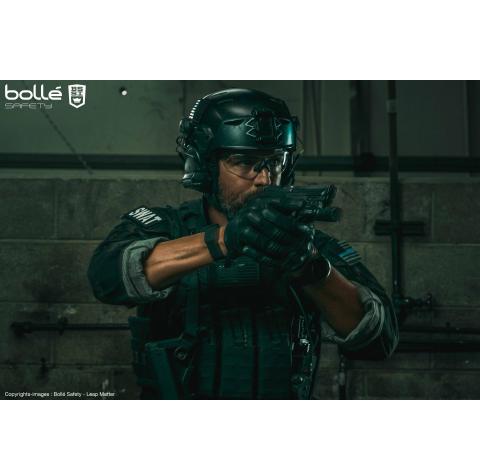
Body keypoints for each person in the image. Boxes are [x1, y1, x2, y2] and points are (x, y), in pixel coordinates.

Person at [87, 88, 399, 399]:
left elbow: (379, 340)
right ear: (207, 165)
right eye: (244, 162)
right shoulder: (166, 227)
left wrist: (310, 268)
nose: (264, 179)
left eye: (275, 162)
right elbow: (107, 278)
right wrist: (224, 240)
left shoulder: (307, 243)